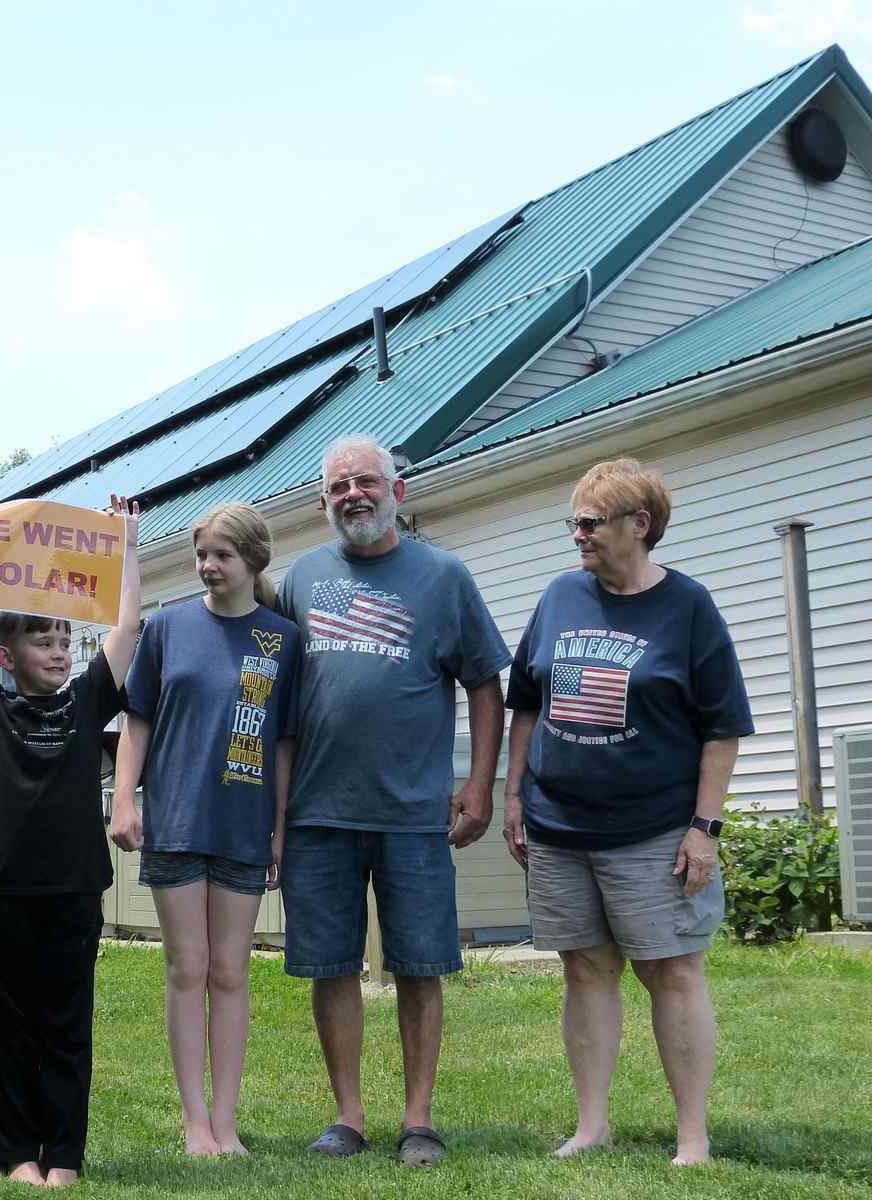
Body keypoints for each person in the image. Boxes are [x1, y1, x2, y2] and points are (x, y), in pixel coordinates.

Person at [503, 458, 753, 1166]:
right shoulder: (559, 596)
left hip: (653, 831)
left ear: (639, 525)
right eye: (572, 523)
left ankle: (693, 1136)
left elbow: (721, 727)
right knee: (585, 969)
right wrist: (513, 791)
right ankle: (591, 1125)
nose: (577, 536)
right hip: (558, 827)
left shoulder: (688, 607)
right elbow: (526, 700)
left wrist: (704, 829)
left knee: (672, 970)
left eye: (589, 523)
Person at [276, 435, 510, 1168]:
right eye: (339, 486)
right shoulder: (299, 580)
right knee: (330, 965)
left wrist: (477, 783)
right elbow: (277, 698)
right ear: (322, 503)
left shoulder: (444, 576)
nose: (354, 494)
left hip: (414, 811)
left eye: (367, 481)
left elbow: (484, 683)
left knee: (420, 963)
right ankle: (347, 1117)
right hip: (318, 812)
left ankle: (419, 1120)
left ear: (397, 492)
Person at [0, 493, 141, 1188]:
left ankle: (66, 1155)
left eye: (63, 642)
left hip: (73, 887)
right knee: (12, 1025)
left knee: (65, 1025)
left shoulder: (87, 701)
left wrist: (129, 547)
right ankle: (16, 1151)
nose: (57, 652)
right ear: (6, 653)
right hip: (4, 888)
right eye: (41, 642)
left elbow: (127, 627)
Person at [109, 502, 299, 1157]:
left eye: (221, 555)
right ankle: (194, 1124)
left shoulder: (282, 639)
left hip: (245, 826)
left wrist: (278, 829)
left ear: (253, 561)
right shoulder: (167, 629)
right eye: (201, 555)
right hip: (178, 823)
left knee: (230, 971)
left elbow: (283, 746)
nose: (208, 567)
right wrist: (124, 802)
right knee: (187, 969)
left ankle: (226, 1121)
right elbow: (136, 721)